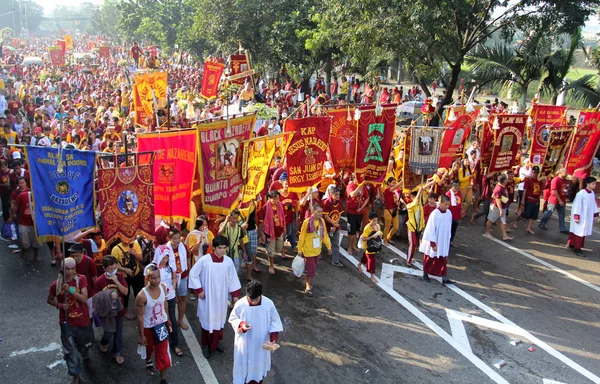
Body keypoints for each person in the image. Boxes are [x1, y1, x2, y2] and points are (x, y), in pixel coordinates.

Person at [188, 235, 242, 359]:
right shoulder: (205, 260)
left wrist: (235, 296)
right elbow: (193, 274)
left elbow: (232, 279)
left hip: (221, 298)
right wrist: (199, 290)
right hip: (208, 298)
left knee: (218, 320)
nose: (222, 250)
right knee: (208, 321)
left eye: (224, 248)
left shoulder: (228, 261)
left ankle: (215, 343)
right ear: (214, 248)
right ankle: (206, 345)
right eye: (220, 248)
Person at [47, 257, 93, 384]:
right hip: (66, 322)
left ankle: (85, 352)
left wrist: (71, 290)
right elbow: (50, 299)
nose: (71, 271)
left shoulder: (81, 279)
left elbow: (84, 299)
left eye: (73, 268)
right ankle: (75, 374)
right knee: (70, 350)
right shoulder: (56, 284)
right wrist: (60, 306)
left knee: (84, 344)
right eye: (67, 269)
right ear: (62, 269)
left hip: (82, 320)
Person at [229, 280, 284, 384]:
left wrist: (273, 339)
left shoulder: (268, 304)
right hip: (244, 343)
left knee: (257, 372)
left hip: (260, 345)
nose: (253, 302)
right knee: (242, 371)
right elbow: (233, 318)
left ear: (260, 295)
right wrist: (241, 325)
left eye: (256, 299)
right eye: (251, 299)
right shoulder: (240, 304)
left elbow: (275, 321)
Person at [136, 263, 172, 383]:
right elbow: (140, 316)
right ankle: (148, 360)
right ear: (147, 278)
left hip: (161, 325)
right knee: (149, 349)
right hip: (148, 328)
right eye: (153, 278)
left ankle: (163, 379)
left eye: (158, 277)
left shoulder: (162, 287)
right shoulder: (141, 296)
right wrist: (141, 335)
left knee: (162, 353)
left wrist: (168, 320)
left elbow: (165, 303)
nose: (156, 280)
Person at [93, 255, 128, 364]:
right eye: (110, 269)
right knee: (108, 332)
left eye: (114, 268)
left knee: (118, 333)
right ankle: (104, 342)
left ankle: (116, 352)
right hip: (107, 313)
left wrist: (117, 281)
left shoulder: (120, 276)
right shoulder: (99, 281)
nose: (113, 271)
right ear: (104, 269)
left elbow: (125, 292)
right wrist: (108, 295)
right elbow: (96, 298)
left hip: (119, 310)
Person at [151, 244, 183, 358]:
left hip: (170, 296)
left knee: (172, 320)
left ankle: (174, 344)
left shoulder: (170, 266)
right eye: (163, 257)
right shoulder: (151, 268)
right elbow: (147, 285)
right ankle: (159, 344)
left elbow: (174, 277)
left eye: (167, 257)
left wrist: (174, 283)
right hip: (157, 299)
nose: (165, 259)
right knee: (159, 320)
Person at [297, 204, 332, 297]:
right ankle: (308, 285)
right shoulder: (307, 222)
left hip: (317, 250)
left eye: (321, 212)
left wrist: (329, 246)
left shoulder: (322, 221)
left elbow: (324, 234)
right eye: (318, 212)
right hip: (308, 251)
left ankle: (306, 280)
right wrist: (299, 249)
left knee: (311, 269)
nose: (320, 214)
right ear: (313, 212)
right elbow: (302, 236)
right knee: (311, 271)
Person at [420, 195, 455, 285]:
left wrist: (448, 239)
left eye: (448, 204)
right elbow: (430, 229)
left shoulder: (449, 213)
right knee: (430, 257)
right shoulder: (435, 214)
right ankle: (425, 273)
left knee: (443, 258)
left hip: (443, 240)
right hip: (435, 240)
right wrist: (433, 243)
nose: (447, 206)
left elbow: (448, 227)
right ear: (441, 203)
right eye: (446, 204)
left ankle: (444, 277)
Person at [165, 228, 191, 332]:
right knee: (169, 301)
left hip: (183, 275)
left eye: (178, 238)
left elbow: (188, 259)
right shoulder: (165, 249)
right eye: (174, 238)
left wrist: (189, 271)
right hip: (169, 278)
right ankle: (169, 321)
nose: (177, 240)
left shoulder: (183, 246)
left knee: (183, 298)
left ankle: (180, 320)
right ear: (169, 238)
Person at [112, 240, 144, 321]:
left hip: (136, 274)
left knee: (139, 292)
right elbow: (114, 265)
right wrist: (125, 270)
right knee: (126, 294)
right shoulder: (116, 249)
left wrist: (135, 253)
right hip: (124, 276)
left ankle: (140, 308)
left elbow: (141, 258)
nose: (126, 239)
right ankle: (125, 310)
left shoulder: (135, 245)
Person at [567, 177, 598, 257]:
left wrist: (595, 215)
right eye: (593, 184)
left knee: (582, 232)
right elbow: (577, 205)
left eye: (595, 184)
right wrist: (577, 216)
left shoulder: (592, 193)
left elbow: (593, 205)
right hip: (581, 216)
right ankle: (577, 248)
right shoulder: (581, 193)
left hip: (587, 217)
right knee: (579, 232)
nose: (595, 185)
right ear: (587, 184)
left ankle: (574, 245)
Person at [258, 191, 286, 275]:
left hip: (279, 231)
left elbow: (282, 217)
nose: (276, 200)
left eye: (277, 198)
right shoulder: (265, 207)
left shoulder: (280, 205)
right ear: (269, 199)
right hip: (269, 232)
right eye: (274, 199)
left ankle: (269, 251)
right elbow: (261, 222)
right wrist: (262, 233)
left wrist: (284, 227)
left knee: (278, 248)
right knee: (272, 252)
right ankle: (271, 265)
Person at [11, 186, 41, 262]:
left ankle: (36, 255)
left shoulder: (41, 197)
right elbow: (16, 206)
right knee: (23, 240)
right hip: (23, 222)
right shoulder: (22, 195)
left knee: (36, 241)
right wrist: (11, 216)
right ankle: (23, 250)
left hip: (36, 224)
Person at [538, 167, 569, 233]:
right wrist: (559, 200)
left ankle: (562, 227)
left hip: (562, 200)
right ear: (561, 172)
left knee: (562, 215)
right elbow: (554, 190)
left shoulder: (565, 180)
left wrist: (564, 198)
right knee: (549, 212)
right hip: (554, 200)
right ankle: (542, 223)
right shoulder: (556, 180)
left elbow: (565, 190)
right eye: (565, 172)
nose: (566, 173)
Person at [514, 165, 542, 234]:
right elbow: (525, 190)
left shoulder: (539, 181)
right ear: (532, 172)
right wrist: (523, 200)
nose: (535, 173)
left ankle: (528, 227)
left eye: (537, 172)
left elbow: (540, 191)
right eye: (534, 172)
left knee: (534, 215)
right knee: (525, 214)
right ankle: (516, 221)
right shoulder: (528, 180)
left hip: (536, 200)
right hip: (529, 199)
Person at [484, 174, 513, 241]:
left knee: (503, 221)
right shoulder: (498, 189)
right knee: (491, 220)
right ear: (504, 181)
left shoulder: (503, 186)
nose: (507, 180)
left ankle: (505, 235)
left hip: (503, 207)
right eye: (506, 179)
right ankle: (487, 232)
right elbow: (498, 200)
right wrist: (500, 210)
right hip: (496, 207)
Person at [346, 174, 369, 255]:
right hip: (351, 212)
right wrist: (359, 187)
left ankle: (354, 245)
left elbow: (367, 198)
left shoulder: (363, 186)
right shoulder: (351, 185)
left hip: (359, 212)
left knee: (357, 230)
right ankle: (349, 246)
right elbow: (352, 194)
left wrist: (361, 207)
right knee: (351, 231)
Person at [321, 186, 344, 267]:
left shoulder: (339, 202)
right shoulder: (326, 203)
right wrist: (334, 224)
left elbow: (339, 214)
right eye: (336, 194)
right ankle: (318, 253)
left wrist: (335, 225)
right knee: (322, 240)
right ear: (331, 194)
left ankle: (335, 261)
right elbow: (326, 216)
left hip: (335, 226)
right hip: (326, 226)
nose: (338, 196)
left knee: (335, 244)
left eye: (339, 194)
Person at [358, 213, 383, 283]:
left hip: (374, 245)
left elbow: (380, 235)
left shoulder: (378, 226)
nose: (375, 222)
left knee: (365, 257)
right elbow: (363, 238)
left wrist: (379, 234)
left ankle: (359, 264)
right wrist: (372, 237)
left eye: (376, 220)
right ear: (369, 220)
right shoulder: (367, 228)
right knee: (372, 261)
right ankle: (372, 275)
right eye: (374, 220)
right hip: (368, 247)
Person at [406, 186, 426, 266]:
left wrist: (431, 182)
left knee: (413, 244)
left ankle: (409, 257)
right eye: (416, 197)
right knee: (413, 244)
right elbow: (414, 202)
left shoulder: (420, 205)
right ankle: (408, 260)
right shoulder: (410, 205)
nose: (417, 199)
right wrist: (419, 192)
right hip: (411, 228)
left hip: (418, 228)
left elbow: (424, 190)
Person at [382, 177, 402, 245]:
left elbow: (397, 199)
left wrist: (398, 203)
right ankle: (385, 240)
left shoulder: (396, 191)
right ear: (388, 183)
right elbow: (393, 188)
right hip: (388, 210)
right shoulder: (387, 189)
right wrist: (401, 182)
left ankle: (388, 237)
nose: (394, 184)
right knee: (387, 226)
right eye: (393, 182)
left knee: (396, 227)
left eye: (395, 182)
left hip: (395, 209)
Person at [445, 180, 463, 247]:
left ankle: (451, 241)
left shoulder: (459, 192)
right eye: (455, 185)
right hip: (449, 215)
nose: (457, 187)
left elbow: (460, 202)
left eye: (458, 186)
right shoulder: (448, 194)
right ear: (451, 186)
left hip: (457, 214)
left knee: (454, 229)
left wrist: (462, 210)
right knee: (448, 229)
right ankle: (446, 241)